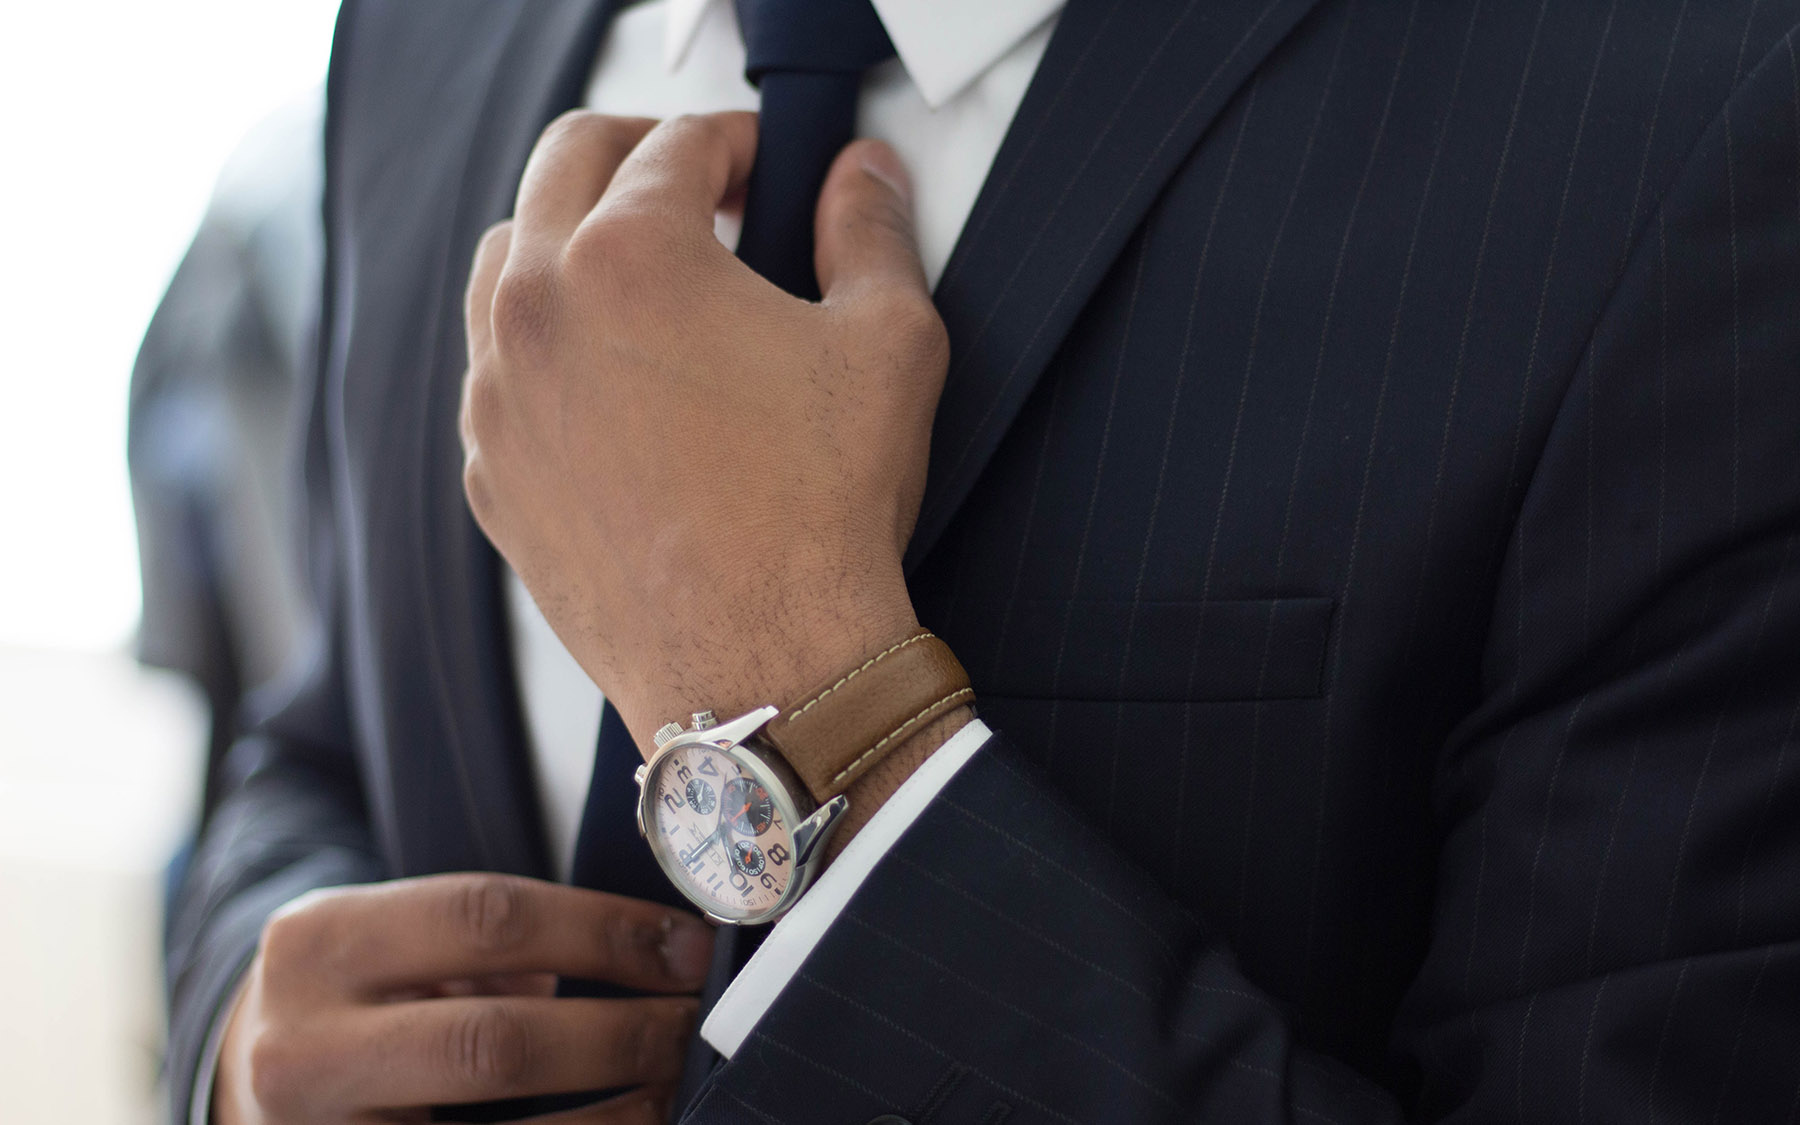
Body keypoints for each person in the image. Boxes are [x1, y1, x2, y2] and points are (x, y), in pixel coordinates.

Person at [166, 0, 1800, 1122]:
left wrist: (797, 701)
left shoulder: (1693, 125)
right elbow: (321, 729)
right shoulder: (418, 32)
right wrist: (246, 1041)